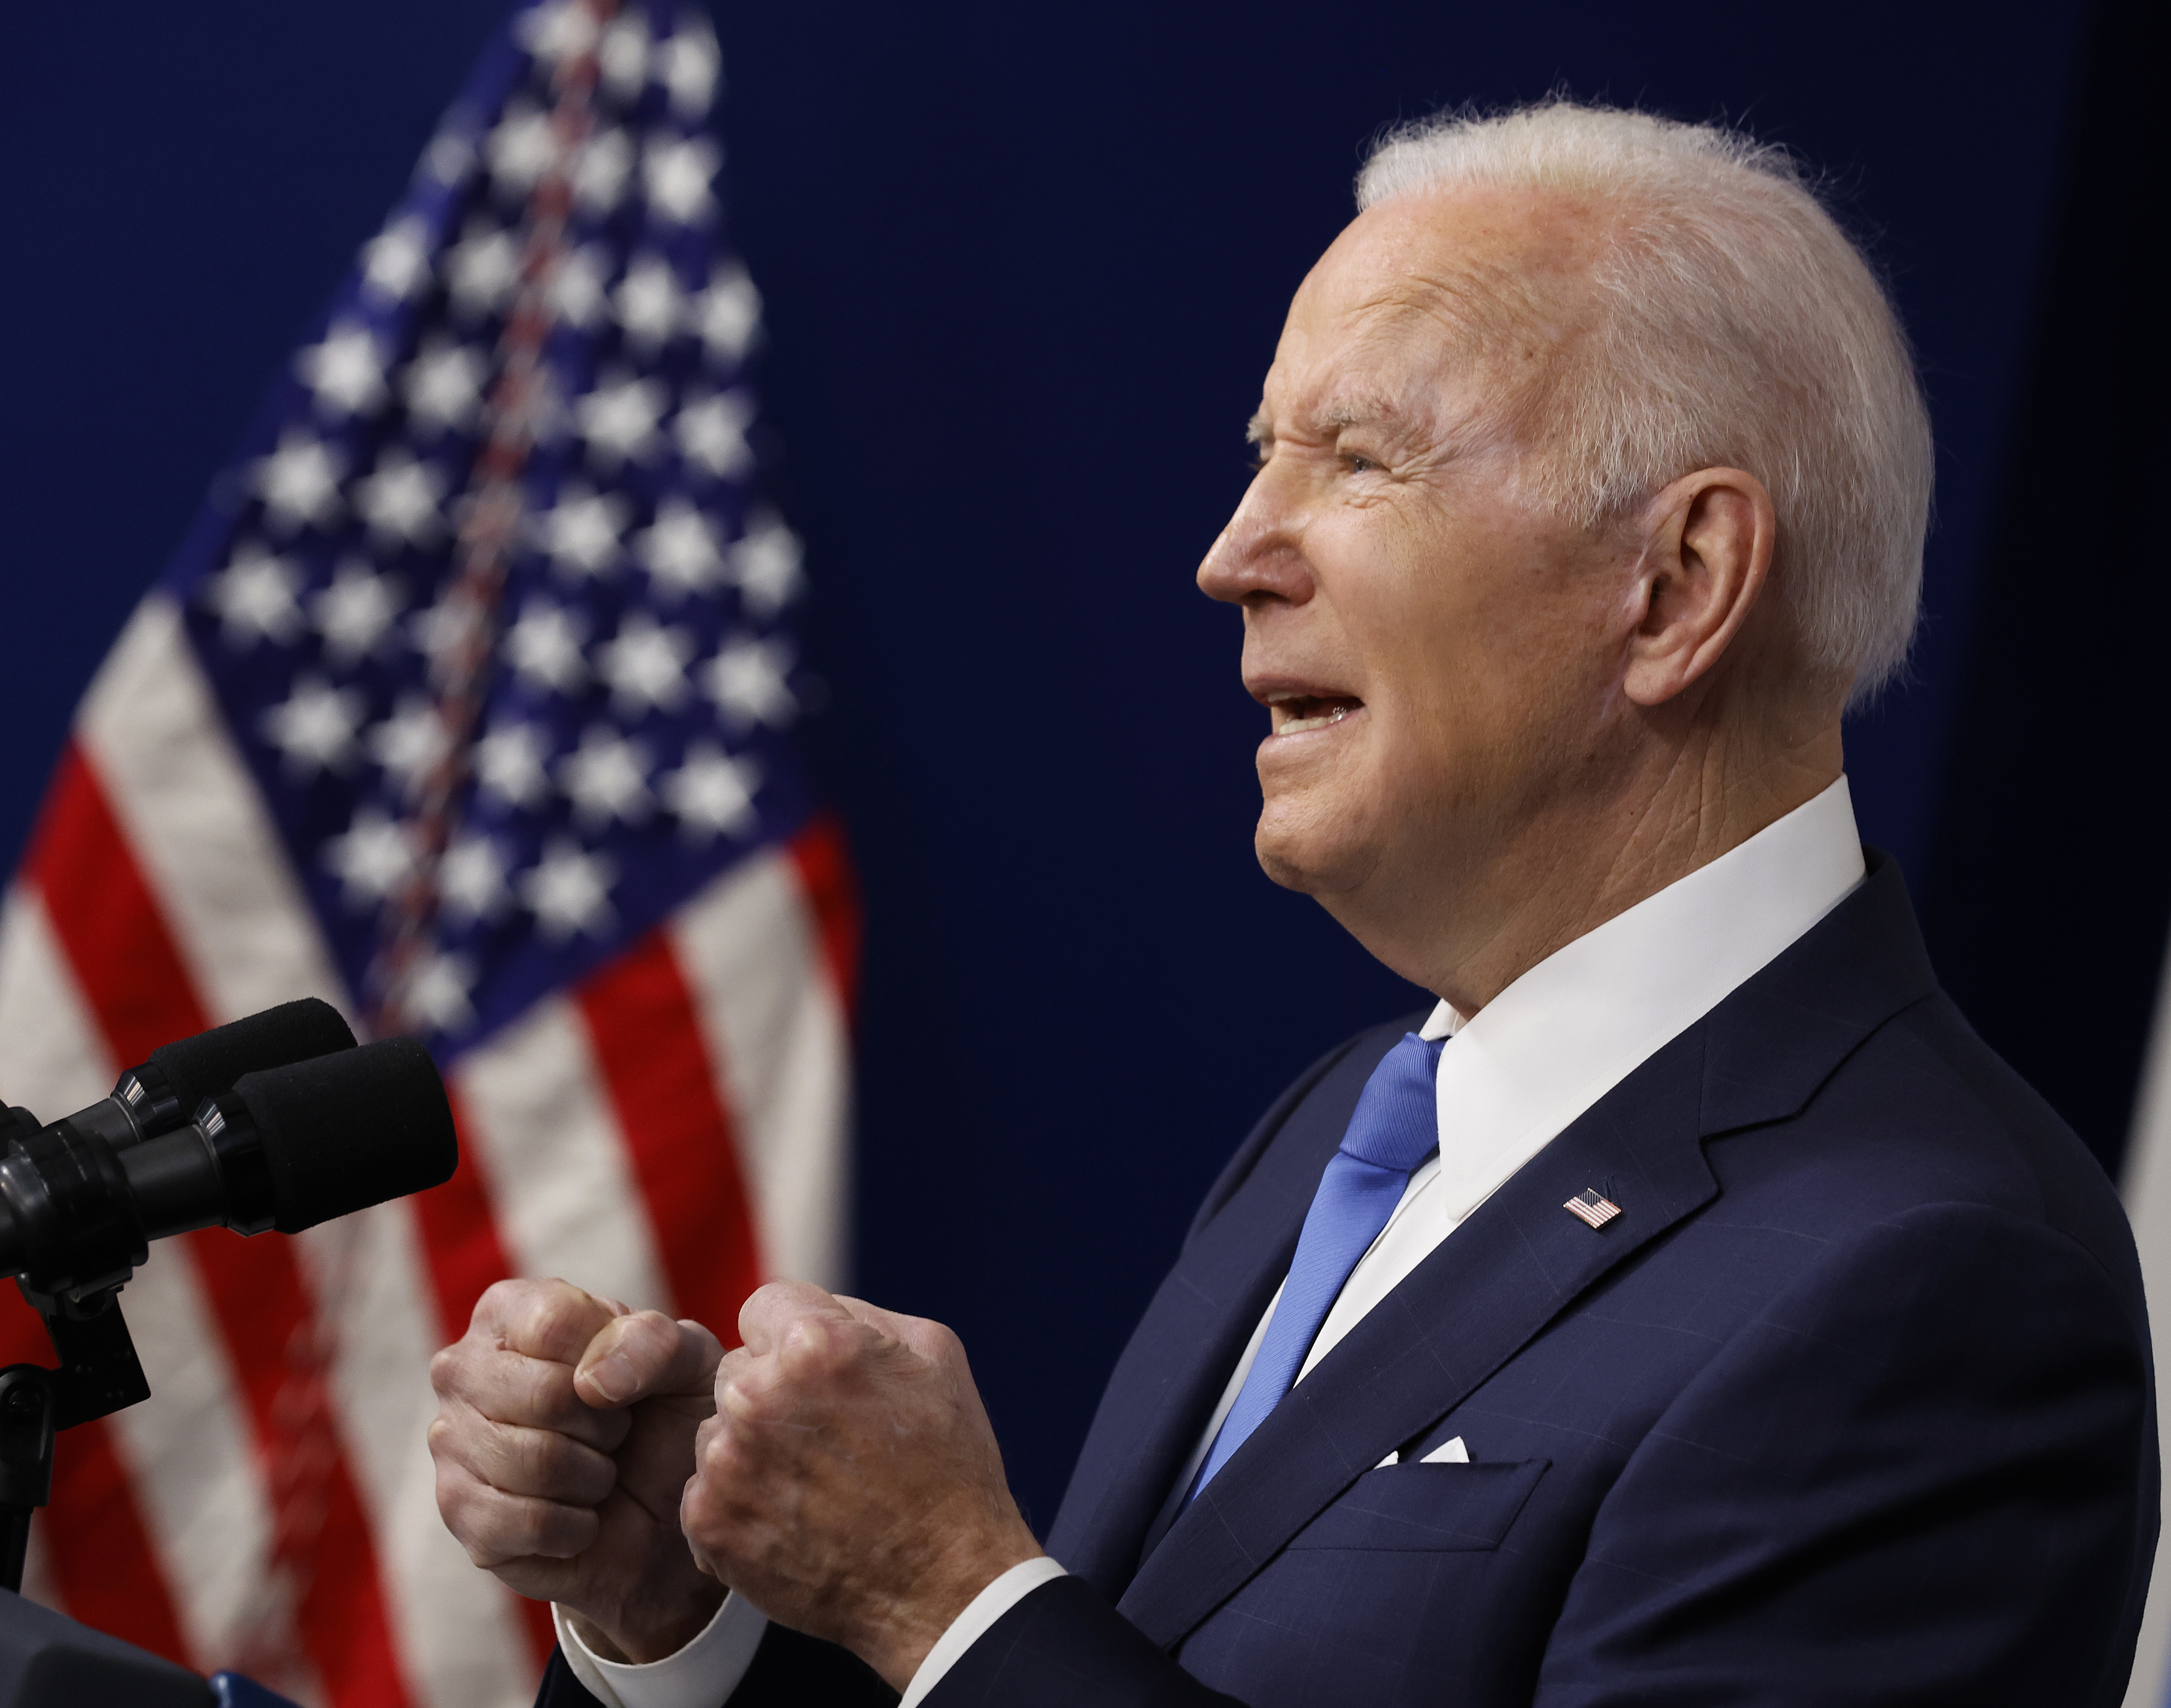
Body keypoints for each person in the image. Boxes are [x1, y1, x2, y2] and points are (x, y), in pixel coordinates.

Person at [427, 100, 2157, 1706]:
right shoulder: (1352, 1125)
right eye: (1267, 455)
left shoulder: (1939, 1283)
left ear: (1677, 583)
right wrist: (689, 1622)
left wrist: (949, 1601)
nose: (1236, 550)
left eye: (1356, 457)